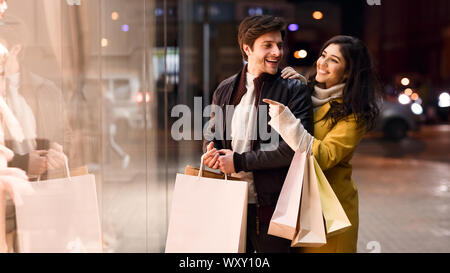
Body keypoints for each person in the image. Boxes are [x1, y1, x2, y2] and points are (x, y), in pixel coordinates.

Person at [202, 15, 313, 253]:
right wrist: (211, 151)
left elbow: (293, 149)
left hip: (275, 209)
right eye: (268, 45)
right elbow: (211, 134)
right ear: (247, 48)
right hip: (231, 203)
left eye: (279, 45)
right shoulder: (224, 89)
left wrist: (239, 161)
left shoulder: (294, 89)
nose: (277, 52)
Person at [265, 35, 382, 253]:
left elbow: (324, 156)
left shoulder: (353, 115)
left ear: (348, 72)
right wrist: (297, 91)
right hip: (295, 207)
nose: (322, 63)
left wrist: (287, 122)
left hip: (329, 212)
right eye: (323, 55)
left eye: (334, 61)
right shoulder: (307, 93)